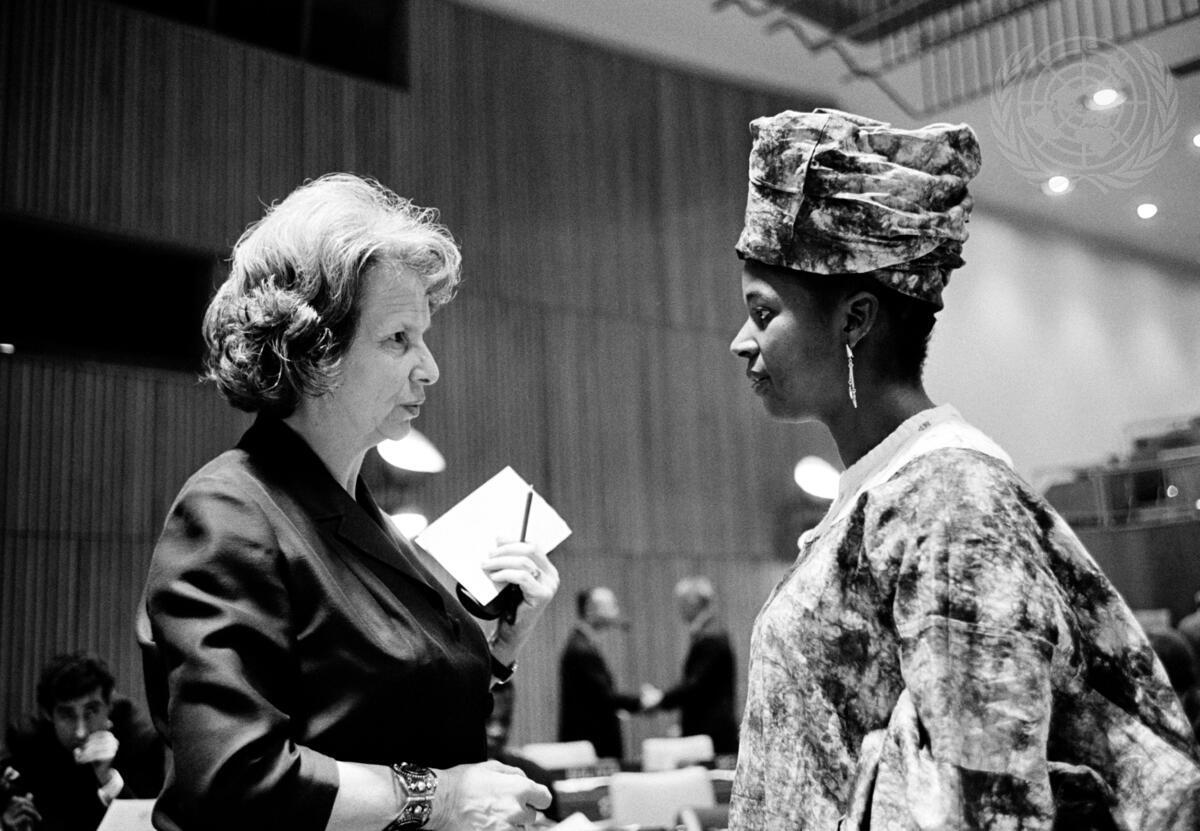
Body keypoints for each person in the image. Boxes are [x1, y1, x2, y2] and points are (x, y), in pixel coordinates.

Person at [725, 108, 1200, 829]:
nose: (741, 341)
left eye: (763, 313)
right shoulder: (886, 489)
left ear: (855, 319)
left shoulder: (952, 500)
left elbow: (985, 800)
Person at [137, 173, 557, 831]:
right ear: (313, 352)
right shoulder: (227, 511)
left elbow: (397, 720)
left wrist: (502, 647)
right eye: (398, 338)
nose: (429, 367)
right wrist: (442, 799)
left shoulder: (369, 520)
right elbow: (232, 778)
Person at [0, 652, 165, 831]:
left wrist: (108, 779)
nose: (81, 732)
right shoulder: (27, 741)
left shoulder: (140, 740)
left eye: (91, 712)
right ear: (48, 714)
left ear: (109, 705)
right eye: (67, 715)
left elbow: (149, 826)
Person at [643, 576, 738, 755]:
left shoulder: (710, 637)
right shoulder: (709, 632)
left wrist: (660, 699)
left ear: (692, 602)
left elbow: (696, 686)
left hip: (711, 730)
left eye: (681, 602)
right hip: (710, 728)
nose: (679, 609)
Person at [557, 587, 644, 761]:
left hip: (591, 743)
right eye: (612, 605)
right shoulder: (581, 649)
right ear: (590, 609)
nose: (616, 610)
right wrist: (641, 702)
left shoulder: (583, 644)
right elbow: (603, 697)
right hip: (591, 744)